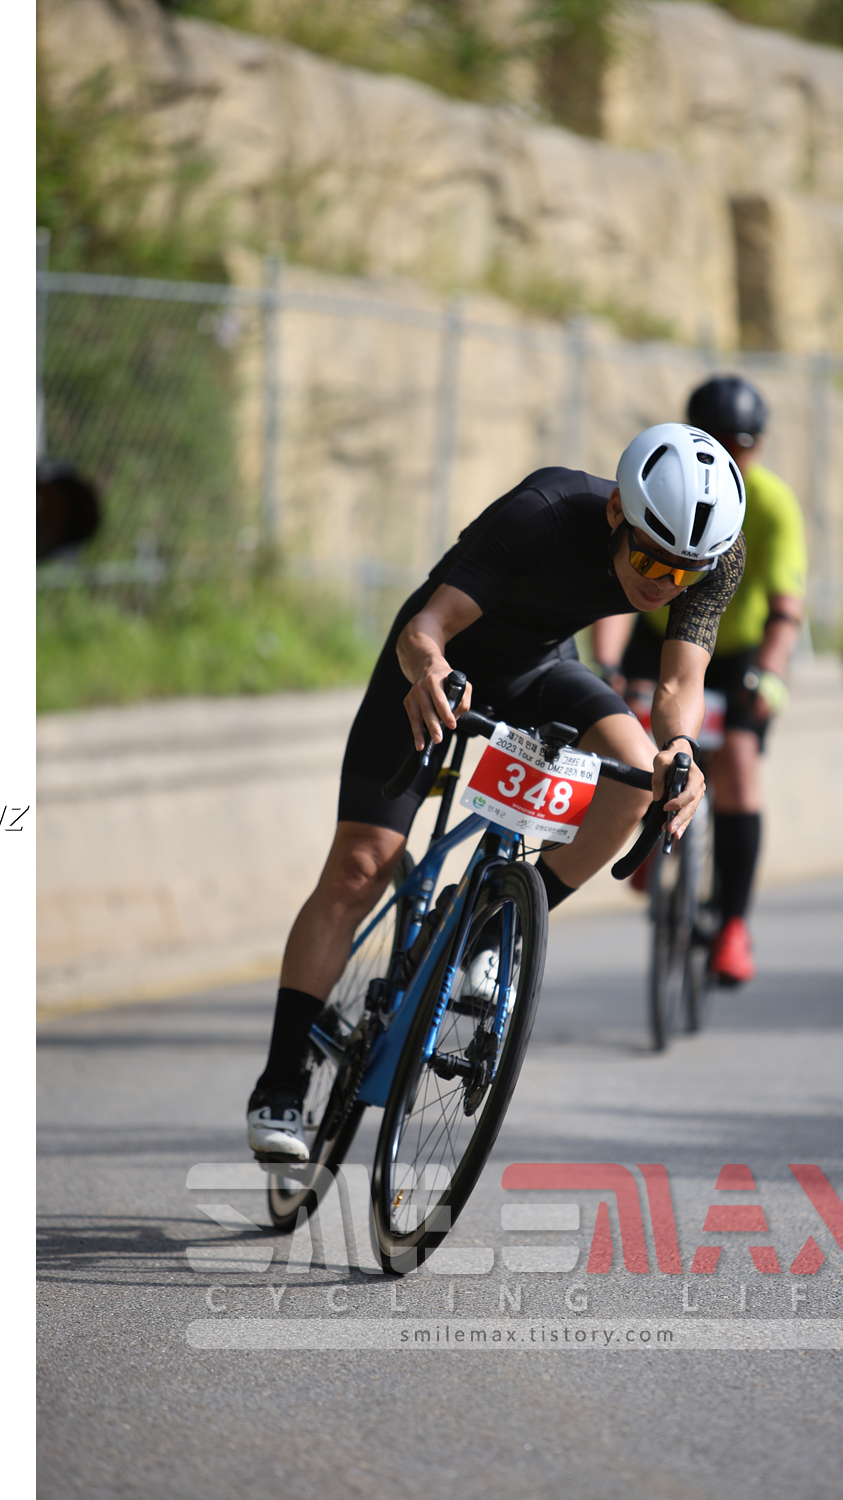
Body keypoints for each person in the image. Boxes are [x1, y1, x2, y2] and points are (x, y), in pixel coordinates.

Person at [248, 423, 748, 1160]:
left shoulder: (717, 556)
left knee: (640, 774)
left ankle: (492, 927)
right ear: (618, 510)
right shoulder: (545, 510)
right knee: (361, 865)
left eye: (681, 575)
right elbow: (425, 628)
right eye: (648, 558)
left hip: (540, 669)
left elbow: (678, 685)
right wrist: (431, 674)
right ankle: (282, 1081)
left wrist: (680, 750)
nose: (661, 583)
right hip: (441, 665)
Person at [591, 375, 807, 987]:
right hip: (653, 625)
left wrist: (769, 675)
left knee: (738, 762)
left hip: (738, 651)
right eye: (718, 441)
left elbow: (786, 609)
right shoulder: (669, 481)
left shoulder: (773, 504)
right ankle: (645, 819)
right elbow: (613, 595)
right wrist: (609, 667)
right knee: (628, 726)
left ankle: (734, 923)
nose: (732, 456)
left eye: (745, 446)